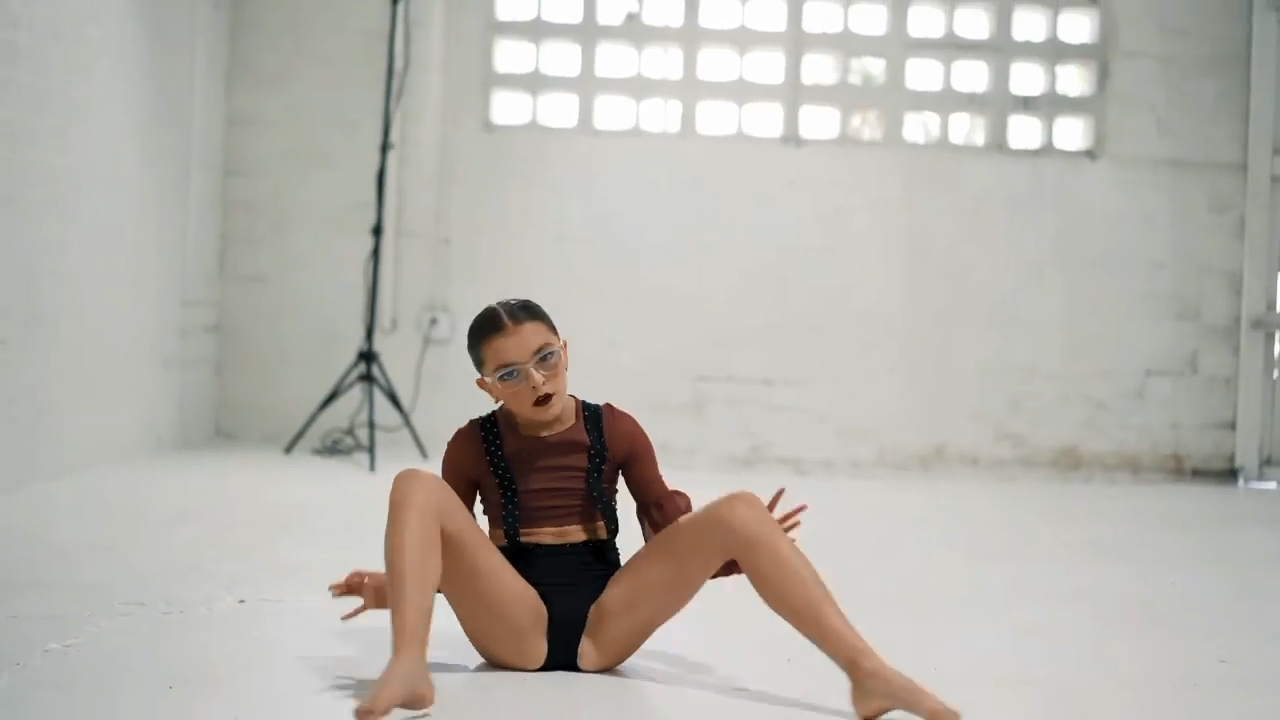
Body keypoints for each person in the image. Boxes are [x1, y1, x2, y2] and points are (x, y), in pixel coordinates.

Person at [329, 299, 961, 720]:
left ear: (566, 350)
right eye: (511, 374)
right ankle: (407, 663)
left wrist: (744, 548)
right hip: (514, 625)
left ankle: (867, 673)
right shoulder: (472, 445)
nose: (537, 380)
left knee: (742, 511)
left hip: (606, 625)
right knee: (414, 485)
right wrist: (399, 587)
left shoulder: (615, 429)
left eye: (546, 358)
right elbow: (452, 549)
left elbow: (669, 533)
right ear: (486, 386)